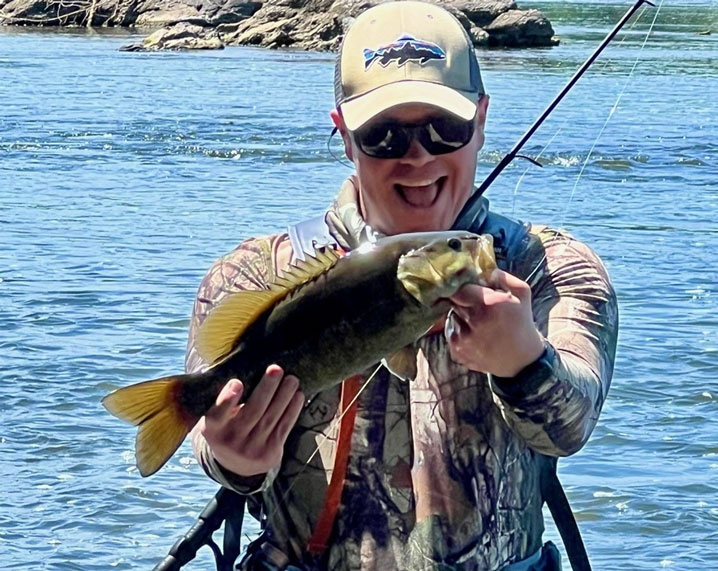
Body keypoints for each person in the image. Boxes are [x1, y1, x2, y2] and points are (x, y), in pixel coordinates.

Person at [184, 2, 618, 569]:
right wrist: (233, 454)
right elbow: (213, 451)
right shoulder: (253, 274)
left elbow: (570, 425)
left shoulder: (548, 267)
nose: (416, 157)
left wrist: (523, 363)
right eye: (384, 135)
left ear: (481, 121)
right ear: (344, 133)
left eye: (446, 129)